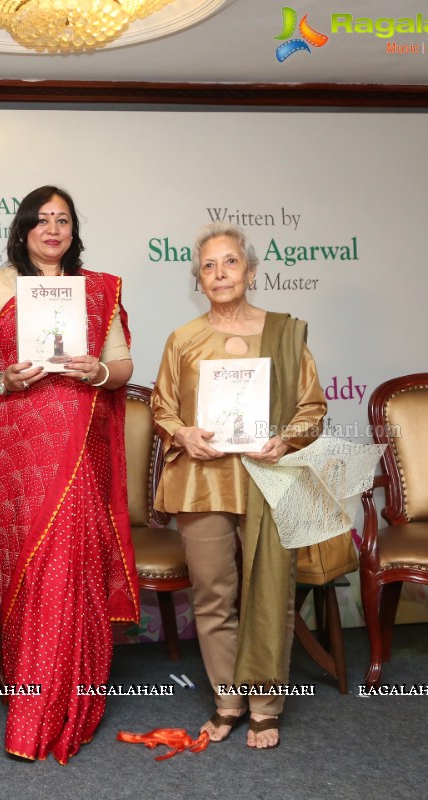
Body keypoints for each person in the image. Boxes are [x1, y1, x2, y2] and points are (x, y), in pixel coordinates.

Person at [0, 186, 139, 764]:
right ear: (23, 229)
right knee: (31, 569)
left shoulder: (97, 291)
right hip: (17, 450)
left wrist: (98, 370)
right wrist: (9, 380)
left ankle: (53, 706)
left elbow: (123, 367)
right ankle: (30, 686)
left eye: (63, 220)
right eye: (42, 220)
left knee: (68, 564)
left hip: (77, 448)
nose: (53, 230)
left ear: (73, 231)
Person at [151, 221, 326, 750]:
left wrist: (284, 440)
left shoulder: (286, 333)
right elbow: (162, 407)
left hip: (266, 480)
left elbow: (312, 408)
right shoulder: (183, 339)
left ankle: (266, 707)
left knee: (268, 593)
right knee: (212, 596)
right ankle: (228, 702)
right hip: (203, 481)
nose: (220, 273)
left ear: (250, 270)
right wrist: (181, 431)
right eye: (208, 265)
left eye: (230, 262)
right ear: (197, 279)